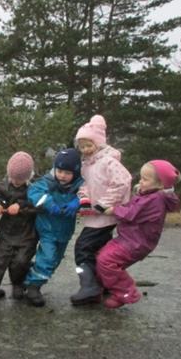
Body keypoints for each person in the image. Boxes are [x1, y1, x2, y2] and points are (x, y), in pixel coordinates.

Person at [96, 160, 181, 309]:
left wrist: (112, 210)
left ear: (160, 184)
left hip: (135, 243)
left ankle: (126, 292)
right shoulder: (151, 194)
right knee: (104, 258)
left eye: (145, 179)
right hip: (130, 239)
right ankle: (106, 286)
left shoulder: (155, 200)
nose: (140, 181)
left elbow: (130, 213)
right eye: (141, 178)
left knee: (106, 260)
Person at [70, 115, 132, 306]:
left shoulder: (108, 162)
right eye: (81, 146)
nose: (85, 150)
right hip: (93, 215)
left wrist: (104, 204)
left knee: (82, 248)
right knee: (98, 251)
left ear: (98, 142)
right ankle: (102, 283)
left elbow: (123, 182)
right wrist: (84, 199)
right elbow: (85, 185)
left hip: (105, 216)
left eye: (89, 145)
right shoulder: (87, 164)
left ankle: (89, 286)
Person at [22, 148, 84, 307]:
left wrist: (78, 202)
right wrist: (50, 204)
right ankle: (33, 287)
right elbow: (34, 192)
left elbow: (88, 194)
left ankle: (30, 275)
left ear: (75, 173)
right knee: (48, 256)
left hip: (65, 230)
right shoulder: (48, 181)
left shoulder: (79, 185)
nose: (62, 175)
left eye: (67, 173)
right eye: (60, 171)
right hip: (47, 228)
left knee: (55, 259)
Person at [0, 151, 39, 308]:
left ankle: (18, 283)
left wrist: (21, 206)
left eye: (20, 179)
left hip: (28, 235)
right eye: (13, 178)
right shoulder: (3, 186)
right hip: (7, 233)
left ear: (28, 176)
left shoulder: (35, 188)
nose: (16, 182)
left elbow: (39, 203)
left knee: (21, 261)